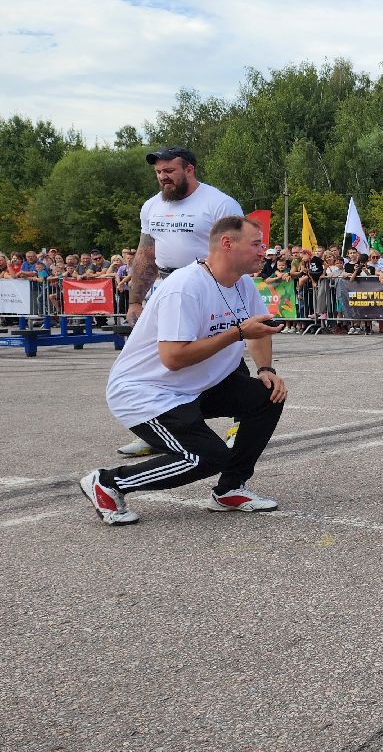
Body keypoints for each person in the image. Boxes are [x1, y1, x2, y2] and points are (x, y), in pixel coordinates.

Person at [78, 215, 287, 526]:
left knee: (267, 395)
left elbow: (260, 329)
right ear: (227, 244)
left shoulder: (242, 283)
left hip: (196, 386)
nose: (264, 252)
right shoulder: (186, 287)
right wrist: (237, 333)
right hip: (148, 392)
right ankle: (108, 482)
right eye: (256, 244)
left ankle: (230, 489)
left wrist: (266, 368)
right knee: (207, 456)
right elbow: (174, 357)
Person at [117, 146, 243, 458]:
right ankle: (155, 427)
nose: (163, 177)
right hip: (165, 287)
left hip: (206, 285)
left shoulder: (219, 203)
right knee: (159, 361)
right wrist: (135, 302)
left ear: (189, 169)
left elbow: (234, 250)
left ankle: (243, 417)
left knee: (223, 350)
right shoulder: (151, 207)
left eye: (169, 171)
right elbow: (147, 254)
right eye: (159, 172)